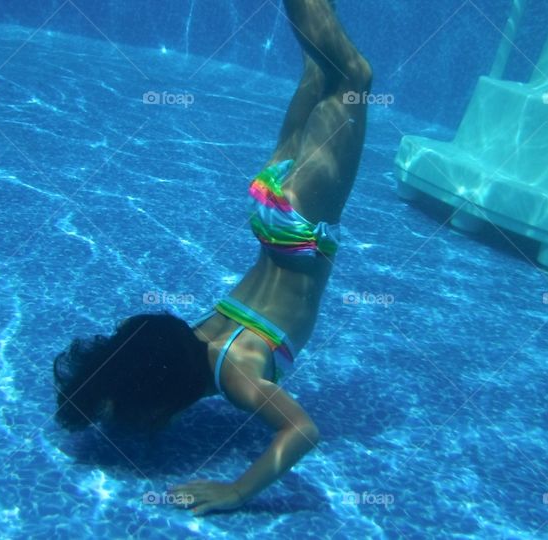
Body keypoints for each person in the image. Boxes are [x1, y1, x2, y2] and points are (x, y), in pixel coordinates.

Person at [52, 0, 372, 516]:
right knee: (320, 70)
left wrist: (236, 491)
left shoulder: (237, 375)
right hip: (269, 209)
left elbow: (302, 430)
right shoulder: (193, 336)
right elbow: (139, 352)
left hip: (299, 227)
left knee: (353, 77)